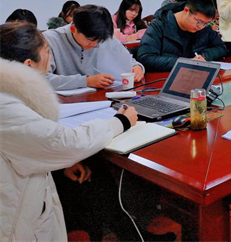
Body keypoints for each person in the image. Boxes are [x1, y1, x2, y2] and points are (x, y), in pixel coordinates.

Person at [0, 21, 138, 241]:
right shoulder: (6, 107)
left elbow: (33, 142)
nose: (50, 59)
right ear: (28, 65)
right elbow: (65, 142)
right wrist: (119, 121)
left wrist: (62, 162)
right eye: (47, 52)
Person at [44, 5, 145, 91]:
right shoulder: (50, 40)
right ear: (73, 29)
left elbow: (129, 61)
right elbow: (42, 79)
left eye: (99, 40)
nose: (95, 44)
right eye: (90, 40)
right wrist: (86, 81)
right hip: (65, 103)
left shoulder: (104, 36)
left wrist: (137, 67)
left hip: (101, 98)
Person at [138, 0, 227, 72]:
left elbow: (221, 47)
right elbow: (145, 58)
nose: (201, 27)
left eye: (206, 23)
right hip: (163, 78)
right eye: (198, 22)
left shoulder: (204, 27)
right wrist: (186, 62)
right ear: (186, 11)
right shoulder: (160, 24)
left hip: (194, 75)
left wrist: (203, 56)